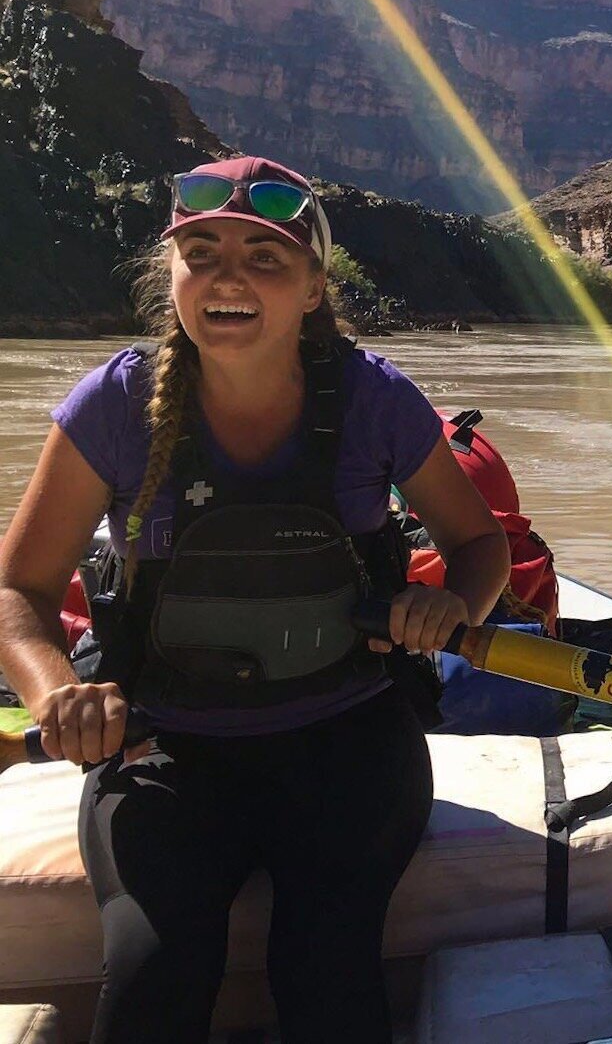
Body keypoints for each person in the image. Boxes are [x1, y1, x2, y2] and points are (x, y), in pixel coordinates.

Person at [0, 157, 510, 1043]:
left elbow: (481, 546)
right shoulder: (116, 404)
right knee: (156, 977)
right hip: (163, 748)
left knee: (326, 973)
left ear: (315, 287)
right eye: (201, 252)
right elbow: (20, 587)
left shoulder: (374, 399)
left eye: (265, 258)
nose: (229, 276)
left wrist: (454, 608)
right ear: (174, 279)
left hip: (348, 739)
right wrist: (54, 695)